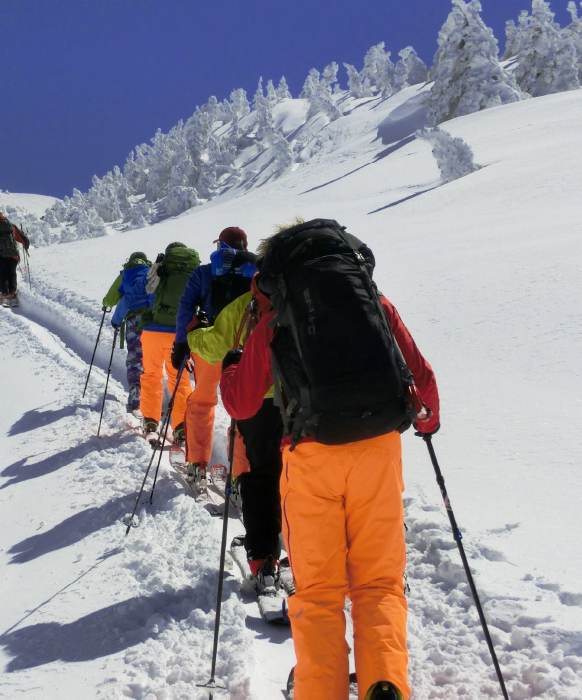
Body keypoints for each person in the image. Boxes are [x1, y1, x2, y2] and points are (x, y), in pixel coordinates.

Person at [220, 218, 440, 700]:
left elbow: (241, 404)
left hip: (310, 455)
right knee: (379, 583)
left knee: (319, 592)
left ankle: (322, 690)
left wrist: (230, 368)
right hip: (378, 450)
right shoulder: (371, 300)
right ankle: (385, 682)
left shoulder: (277, 315)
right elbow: (422, 378)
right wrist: (428, 422)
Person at [188, 282, 286, 595]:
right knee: (301, 479)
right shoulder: (311, 294)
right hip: (305, 403)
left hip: (257, 401)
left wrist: (193, 334)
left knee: (261, 477)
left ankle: (262, 562)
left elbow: (214, 346)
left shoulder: (249, 302)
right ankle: (312, 558)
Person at [172, 226, 256, 485]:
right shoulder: (254, 271)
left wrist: (181, 344)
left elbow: (186, 307)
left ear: (220, 246)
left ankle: (197, 465)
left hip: (210, 346)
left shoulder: (204, 272)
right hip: (245, 348)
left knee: (202, 402)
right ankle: (241, 478)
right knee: (243, 409)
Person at [132, 242, 198, 444]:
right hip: (180, 335)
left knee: (151, 375)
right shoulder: (194, 273)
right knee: (180, 379)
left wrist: (121, 318)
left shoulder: (157, 269)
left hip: (153, 332)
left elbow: (136, 295)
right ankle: (181, 427)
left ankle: (150, 421)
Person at [102, 251, 152, 414]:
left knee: (135, 356)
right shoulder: (152, 272)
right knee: (151, 357)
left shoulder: (125, 273)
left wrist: (106, 304)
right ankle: (152, 395)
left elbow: (111, 298)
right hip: (151, 320)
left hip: (133, 321)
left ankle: (136, 393)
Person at [0, 209, 29, 302]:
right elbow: (23, 238)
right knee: (12, 273)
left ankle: (3, 294)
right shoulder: (11, 226)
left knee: (2, 274)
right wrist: (26, 245)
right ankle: (12, 292)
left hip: (0, 255)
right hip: (13, 254)